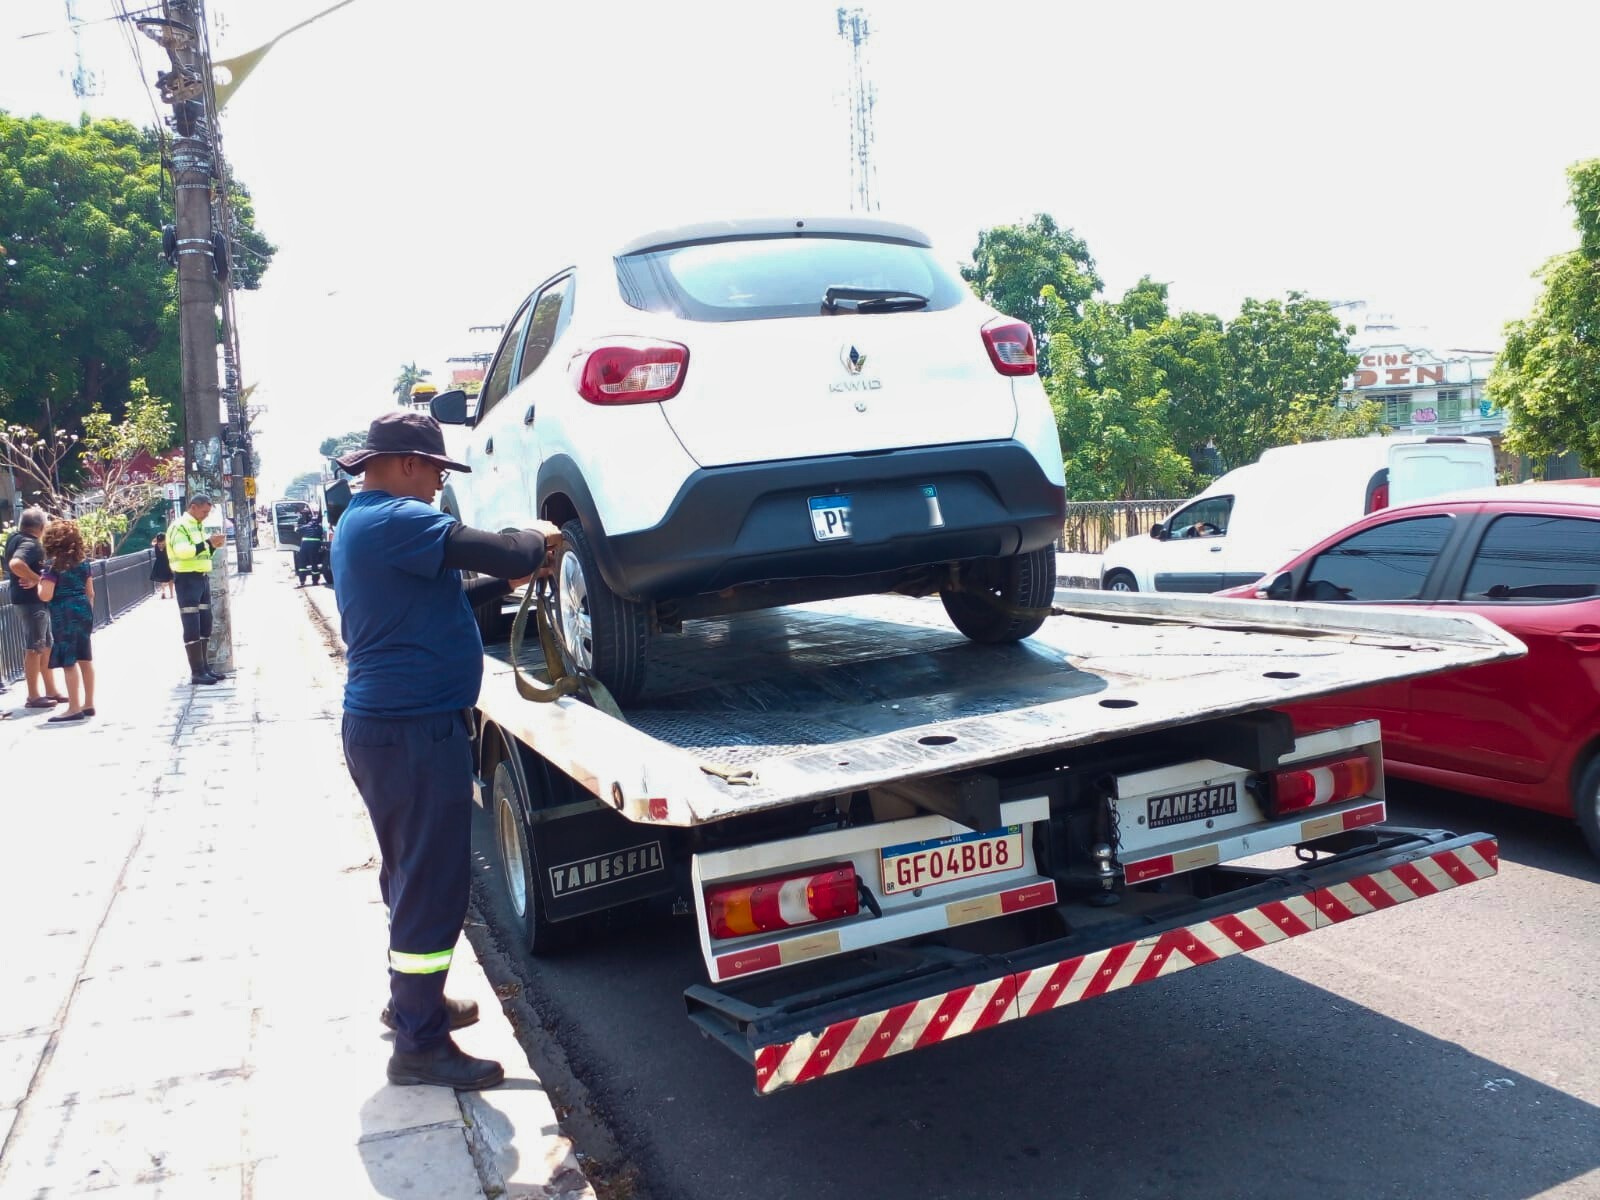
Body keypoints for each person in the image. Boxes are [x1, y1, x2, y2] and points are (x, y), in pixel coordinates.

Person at [332, 411, 559, 1091]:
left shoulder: (365, 524)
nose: (438, 485)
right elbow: (508, 551)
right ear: (405, 463)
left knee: (411, 874)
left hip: (394, 730)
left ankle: (414, 1004)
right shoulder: (395, 520)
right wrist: (538, 541)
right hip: (409, 732)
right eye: (435, 471)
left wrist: (505, 582)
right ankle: (419, 1043)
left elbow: (451, 590)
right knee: (432, 882)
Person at [5, 507, 63, 709]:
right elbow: (15, 564)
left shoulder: (14, 539)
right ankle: (33, 696)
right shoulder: (30, 543)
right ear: (40, 526)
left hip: (27, 601)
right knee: (35, 647)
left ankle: (51, 690)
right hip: (32, 603)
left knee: (45, 646)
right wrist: (37, 579)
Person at [39, 519, 95, 724]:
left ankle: (73, 707)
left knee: (68, 660)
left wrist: (38, 584)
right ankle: (88, 703)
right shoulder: (84, 562)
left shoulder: (53, 565)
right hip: (83, 610)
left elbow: (46, 595)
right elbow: (91, 592)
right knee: (85, 658)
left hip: (64, 612)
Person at [166, 493, 227, 686]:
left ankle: (204, 668)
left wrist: (213, 546)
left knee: (205, 623)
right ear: (193, 507)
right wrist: (209, 543)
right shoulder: (180, 526)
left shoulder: (197, 526)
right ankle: (197, 671)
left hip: (201, 578)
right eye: (204, 511)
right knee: (192, 625)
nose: (206, 515)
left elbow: (201, 552)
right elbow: (183, 552)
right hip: (186, 580)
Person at [293, 507, 326, 586]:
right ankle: (315, 581)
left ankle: (302, 581)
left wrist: (296, 526)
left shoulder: (306, 526)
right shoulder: (320, 527)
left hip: (304, 546)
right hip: (314, 546)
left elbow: (297, 530)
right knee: (314, 563)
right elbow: (323, 536)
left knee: (302, 564)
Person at [150, 532, 174, 599]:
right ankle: (171, 594)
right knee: (170, 579)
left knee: (162, 579)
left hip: (159, 563)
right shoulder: (167, 545)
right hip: (168, 562)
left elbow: (152, 542)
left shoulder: (156, 544)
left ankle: (163, 592)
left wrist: (156, 539)